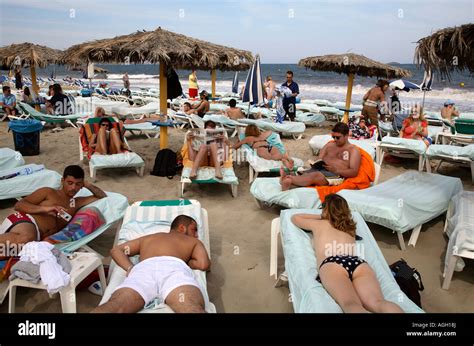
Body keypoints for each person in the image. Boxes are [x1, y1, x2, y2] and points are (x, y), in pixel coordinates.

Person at [291, 194, 403, 313]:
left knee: (350, 304)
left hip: (332, 263)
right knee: (378, 302)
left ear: (326, 209)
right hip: (358, 263)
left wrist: (323, 216)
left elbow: (295, 217)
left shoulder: (320, 224)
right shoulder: (350, 228)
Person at [91, 215, 210, 313]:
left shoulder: (148, 238)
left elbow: (116, 250)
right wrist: (187, 260)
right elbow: (203, 264)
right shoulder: (193, 241)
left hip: (143, 272)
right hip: (174, 271)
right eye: (194, 230)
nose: (197, 235)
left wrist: (130, 268)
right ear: (182, 228)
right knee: (190, 308)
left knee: (115, 306)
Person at [0, 165, 106, 250]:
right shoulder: (48, 192)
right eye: (70, 183)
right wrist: (47, 209)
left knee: (14, 251)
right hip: (27, 222)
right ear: (62, 181)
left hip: (39, 237)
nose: (73, 187)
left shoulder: (76, 202)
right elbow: (19, 205)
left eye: (78, 184)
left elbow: (101, 196)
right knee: (25, 238)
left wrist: (88, 185)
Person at [280, 122, 361, 191]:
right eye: (333, 137)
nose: (335, 139)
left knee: (316, 175)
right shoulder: (329, 145)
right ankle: (290, 179)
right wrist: (315, 163)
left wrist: (336, 170)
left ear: (346, 136)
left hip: (335, 175)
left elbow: (354, 172)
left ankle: (289, 180)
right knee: (303, 171)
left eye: (338, 137)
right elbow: (319, 159)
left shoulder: (353, 150)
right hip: (319, 170)